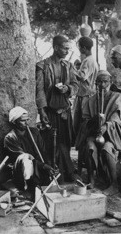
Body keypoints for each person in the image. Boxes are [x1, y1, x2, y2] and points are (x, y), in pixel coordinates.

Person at [75, 70, 121, 194]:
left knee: (107, 148)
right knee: (89, 145)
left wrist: (107, 126)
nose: (102, 85)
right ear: (95, 83)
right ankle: (91, 179)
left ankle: (113, 184)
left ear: (110, 82)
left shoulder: (118, 98)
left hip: (112, 136)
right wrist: (94, 121)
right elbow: (84, 122)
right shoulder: (90, 100)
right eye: (99, 82)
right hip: (94, 134)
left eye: (105, 82)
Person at [36, 35, 79, 182]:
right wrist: (41, 111)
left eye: (69, 48)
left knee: (65, 142)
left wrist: (68, 88)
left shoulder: (69, 66)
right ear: (55, 47)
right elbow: (40, 90)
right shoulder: (42, 66)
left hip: (65, 112)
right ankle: (54, 174)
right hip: (50, 112)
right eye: (64, 48)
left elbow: (76, 86)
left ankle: (67, 173)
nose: (67, 51)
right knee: (51, 143)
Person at [4, 107, 55, 195]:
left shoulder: (34, 132)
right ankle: (29, 188)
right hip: (21, 172)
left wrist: (49, 165)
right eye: (23, 121)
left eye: (27, 119)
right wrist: (44, 166)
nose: (27, 123)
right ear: (14, 122)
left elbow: (43, 151)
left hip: (38, 167)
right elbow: (24, 158)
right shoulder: (10, 138)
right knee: (26, 157)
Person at [73, 36, 99, 131]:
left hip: (85, 95)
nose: (79, 49)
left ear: (84, 48)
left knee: (81, 121)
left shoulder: (88, 61)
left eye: (79, 47)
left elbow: (82, 76)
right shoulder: (91, 60)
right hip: (87, 94)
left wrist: (72, 68)